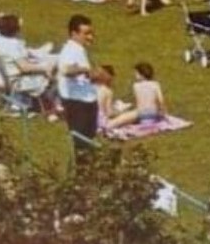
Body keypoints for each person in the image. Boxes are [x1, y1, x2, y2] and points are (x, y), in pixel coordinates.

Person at [56, 14, 98, 151]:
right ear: (74, 33)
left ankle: (87, 169)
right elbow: (66, 70)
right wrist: (85, 69)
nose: (90, 37)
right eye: (86, 33)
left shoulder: (78, 49)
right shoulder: (70, 50)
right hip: (78, 104)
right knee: (82, 145)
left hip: (85, 101)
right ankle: (83, 171)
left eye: (91, 33)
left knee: (88, 143)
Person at [106, 62, 166, 129]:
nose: (134, 75)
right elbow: (161, 101)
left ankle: (107, 126)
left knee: (119, 119)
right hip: (154, 113)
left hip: (141, 112)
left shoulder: (136, 86)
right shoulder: (156, 84)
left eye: (136, 73)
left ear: (141, 74)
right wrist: (162, 112)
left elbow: (137, 102)